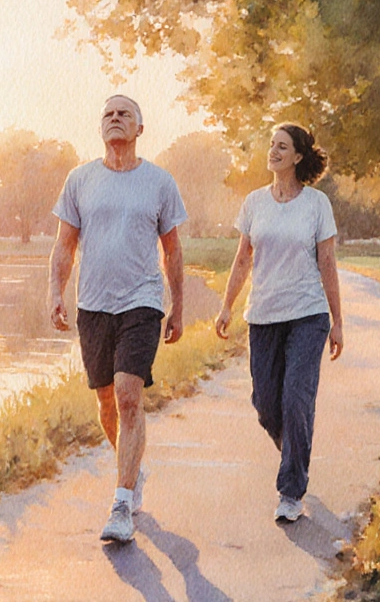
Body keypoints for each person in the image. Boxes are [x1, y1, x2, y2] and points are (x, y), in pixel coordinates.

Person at [48, 94, 187, 543]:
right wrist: (55, 291)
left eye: (124, 113)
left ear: (140, 128)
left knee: (129, 394)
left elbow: (173, 250)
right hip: (93, 305)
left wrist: (178, 306)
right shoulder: (80, 179)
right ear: (100, 127)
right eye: (107, 113)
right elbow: (65, 245)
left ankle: (122, 502)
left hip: (141, 301)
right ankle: (134, 470)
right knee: (106, 402)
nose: (114, 118)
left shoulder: (159, 182)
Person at [214, 123, 343, 523]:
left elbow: (327, 263)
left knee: (295, 401)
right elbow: (242, 259)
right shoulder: (254, 202)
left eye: (282, 147)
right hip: (264, 316)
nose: (273, 151)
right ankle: (295, 453)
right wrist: (226, 306)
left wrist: (338, 322)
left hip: (308, 314)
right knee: (266, 405)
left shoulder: (317, 204)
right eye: (271, 145)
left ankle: (291, 491)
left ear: (298, 157)